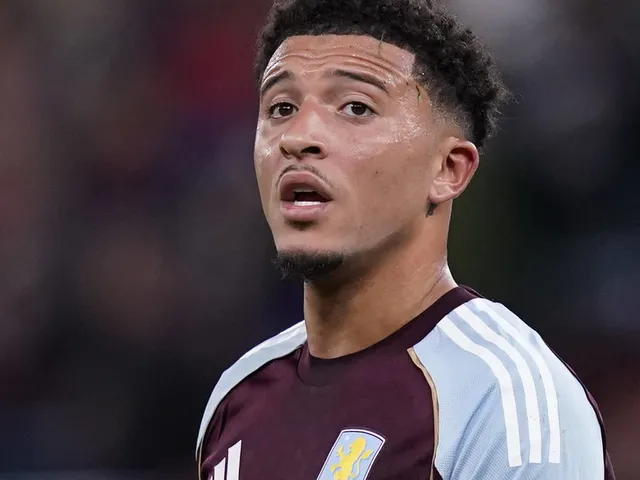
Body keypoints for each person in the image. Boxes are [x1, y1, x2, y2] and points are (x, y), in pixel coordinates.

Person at [195, 0, 616, 478]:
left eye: (356, 107)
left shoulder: (504, 398)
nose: (297, 136)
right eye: (281, 108)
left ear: (448, 169)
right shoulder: (237, 395)